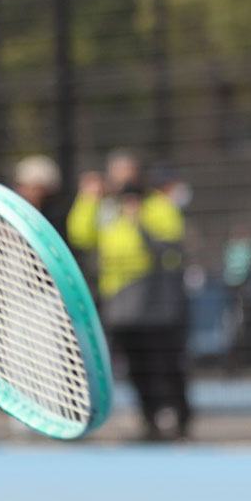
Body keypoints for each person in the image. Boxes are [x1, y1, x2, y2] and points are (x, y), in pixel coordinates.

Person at [68, 158, 191, 441]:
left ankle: (178, 416)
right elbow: (80, 235)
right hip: (119, 298)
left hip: (155, 296)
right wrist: (87, 199)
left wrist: (139, 220)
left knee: (165, 361)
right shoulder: (105, 208)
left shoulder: (158, 205)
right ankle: (149, 417)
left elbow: (171, 243)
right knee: (135, 365)